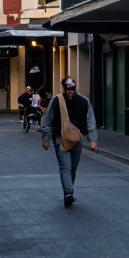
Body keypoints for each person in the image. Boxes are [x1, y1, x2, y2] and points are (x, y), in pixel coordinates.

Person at [41, 77, 98, 207]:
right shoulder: (57, 100)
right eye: (69, 88)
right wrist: (46, 138)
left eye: (72, 88)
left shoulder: (83, 101)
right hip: (61, 138)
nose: (71, 91)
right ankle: (68, 193)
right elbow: (48, 121)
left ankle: (68, 190)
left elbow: (90, 122)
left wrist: (93, 138)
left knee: (72, 167)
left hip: (76, 138)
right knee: (66, 167)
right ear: (64, 88)